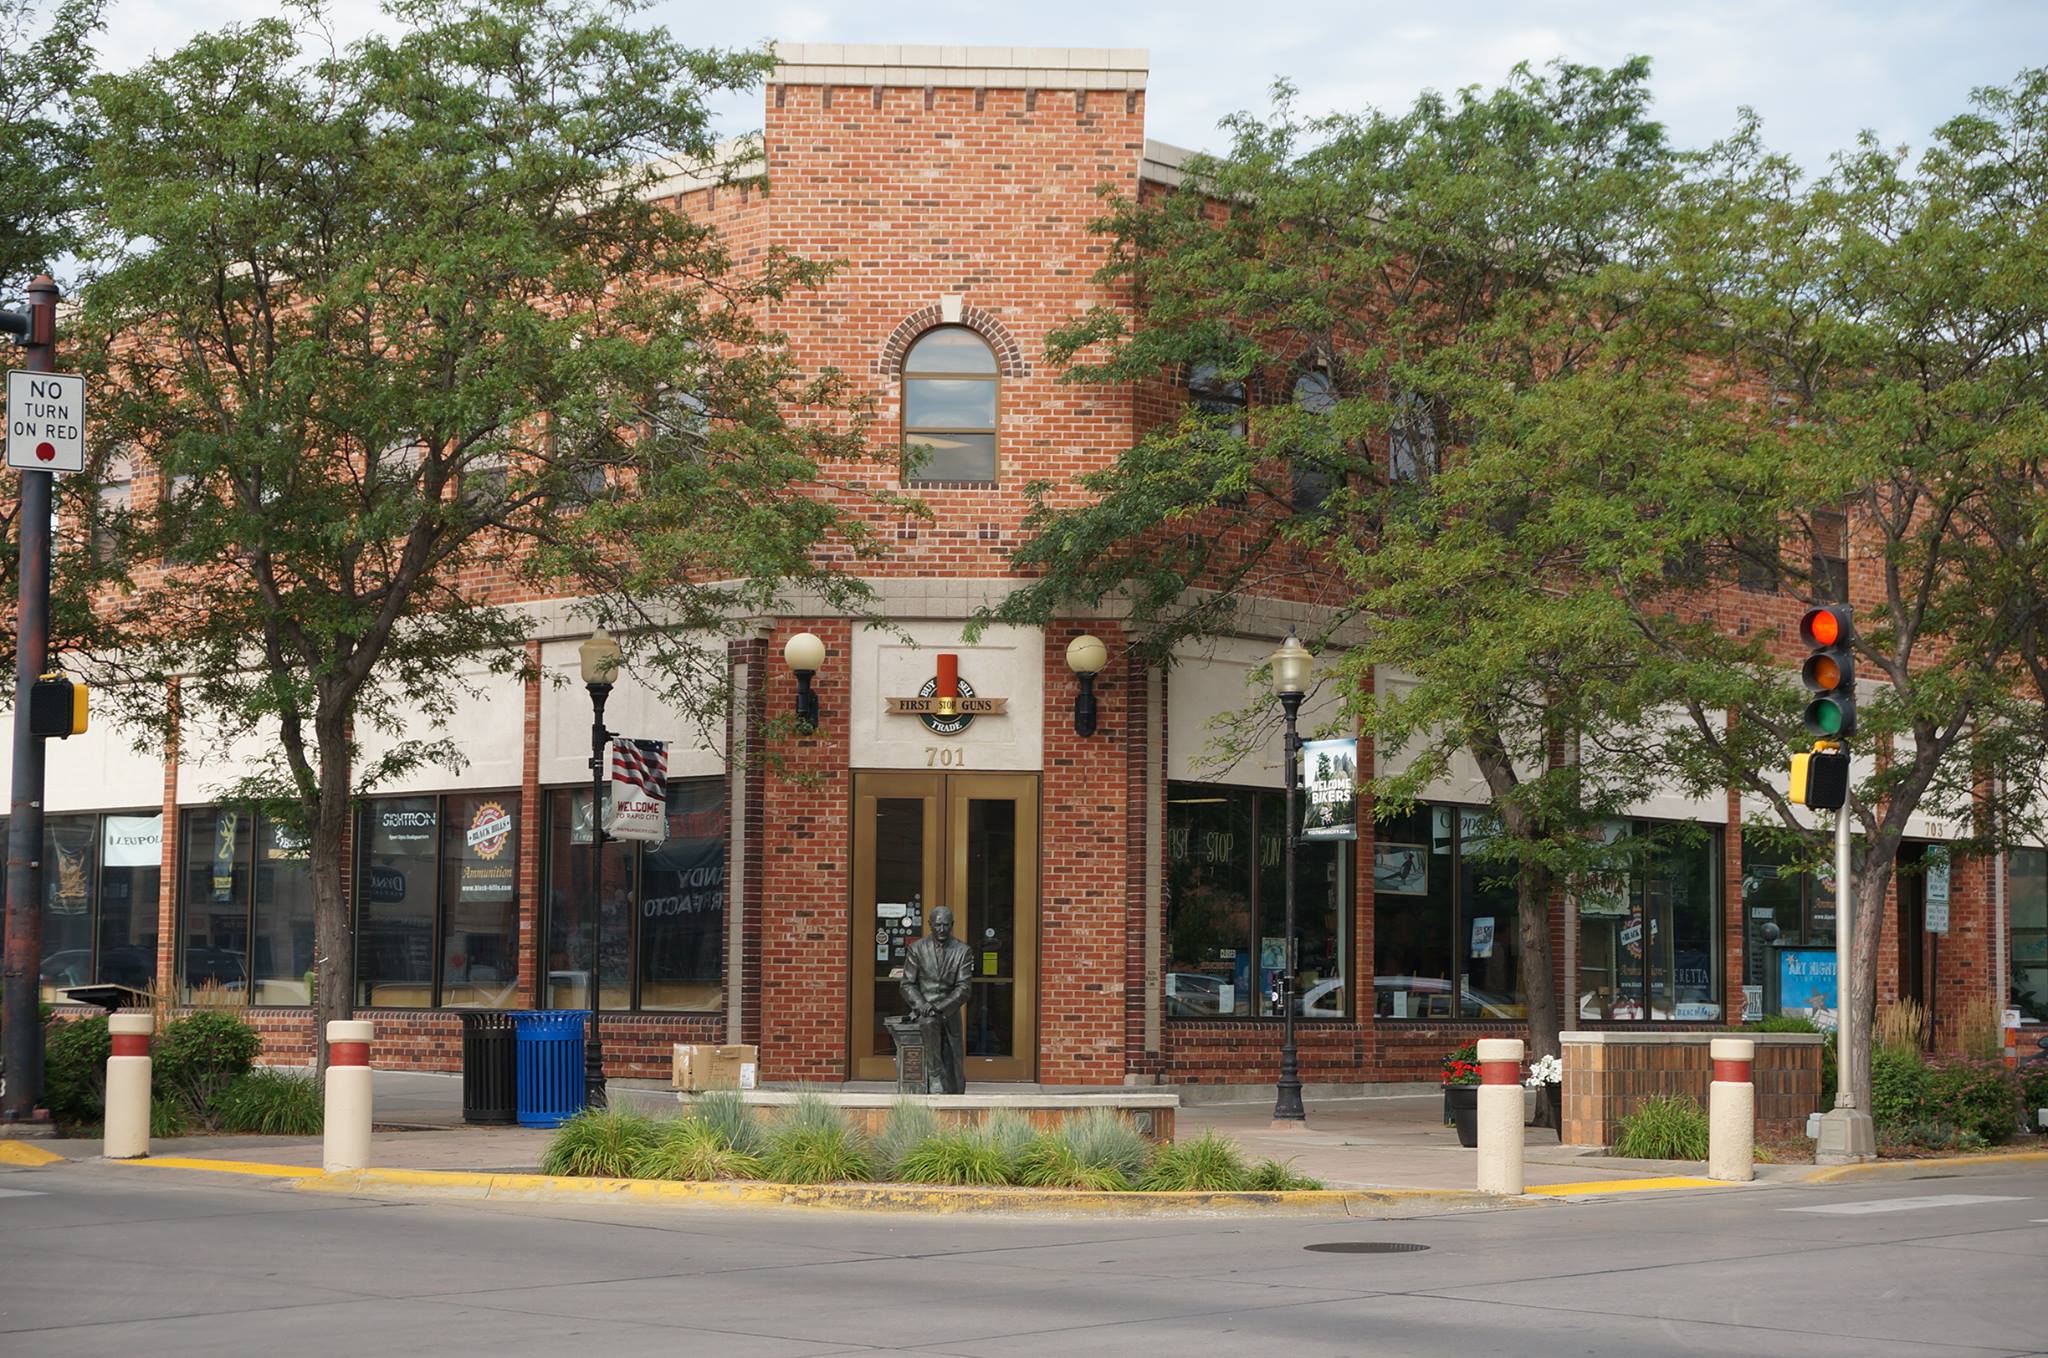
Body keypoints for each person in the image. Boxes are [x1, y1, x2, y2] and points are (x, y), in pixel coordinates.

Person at [900, 905, 975, 1094]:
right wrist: (923, 1005)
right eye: (937, 925)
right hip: (924, 1011)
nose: (941, 930)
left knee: (955, 1076)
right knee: (928, 1023)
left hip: (948, 1012)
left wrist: (939, 1007)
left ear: (952, 925)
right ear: (930, 925)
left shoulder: (962, 951)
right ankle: (934, 1076)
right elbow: (907, 984)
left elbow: (964, 988)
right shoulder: (917, 949)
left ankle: (952, 1086)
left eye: (946, 925)